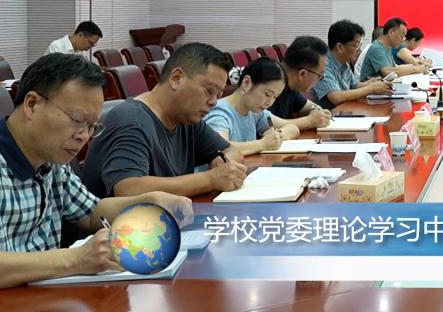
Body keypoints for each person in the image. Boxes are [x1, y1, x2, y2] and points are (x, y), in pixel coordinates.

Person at [0, 53, 191, 288]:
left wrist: (148, 203)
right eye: (77, 120)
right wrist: (76, 260)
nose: (83, 136)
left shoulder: (50, 159)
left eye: (92, 126)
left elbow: (91, 213)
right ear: (32, 104)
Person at [81, 43, 248, 199]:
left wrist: (222, 163)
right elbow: (128, 189)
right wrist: (210, 179)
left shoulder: (187, 118)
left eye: (218, 95)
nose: (214, 102)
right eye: (209, 91)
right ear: (176, 78)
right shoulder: (132, 121)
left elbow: (230, 150)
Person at [204, 58, 329, 157]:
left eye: (275, 97)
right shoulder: (219, 112)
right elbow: (221, 149)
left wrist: (278, 136)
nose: (270, 102)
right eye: (267, 94)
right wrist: (262, 144)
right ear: (246, 83)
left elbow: (292, 128)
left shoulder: (254, 111)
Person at [312, 20, 392, 107]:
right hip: (330, 113)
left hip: (346, 110)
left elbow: (353, 85)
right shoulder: (323, 64)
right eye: (355, 45)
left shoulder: (344, 61)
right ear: (340, 47)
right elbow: (336, 97)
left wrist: (370, 84)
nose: (358, 50)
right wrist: (371, 88)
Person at [268, 36, 332, 127]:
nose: (319, 79)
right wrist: (310, 121)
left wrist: (317, 111)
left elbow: (307, 106)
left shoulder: (290, 84)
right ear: (302, 74)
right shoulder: (269, 81)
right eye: (319, 75)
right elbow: (266, 123)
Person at [359, 17, 430, 81]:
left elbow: (395, 67)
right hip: (371, 89)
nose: (403, 40)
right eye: (402, 36)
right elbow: (387, 73)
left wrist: (414, 66)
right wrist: (415, 69)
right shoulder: (377, 48)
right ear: (391, 32)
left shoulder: (387, 47)